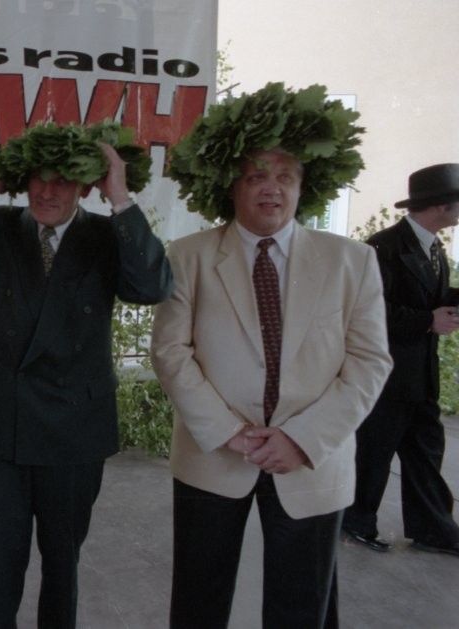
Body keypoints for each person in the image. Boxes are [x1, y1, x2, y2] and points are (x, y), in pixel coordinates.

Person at [153, 82, 393, 628]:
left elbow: (369, 361)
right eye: (256, 175)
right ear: (232, 186)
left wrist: (302, 438)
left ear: (303, 187)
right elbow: (170, 351)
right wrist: (228, 431)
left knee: (303, 609)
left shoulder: (352, 261)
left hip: (312, 460)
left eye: (285, 176)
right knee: (198, 603)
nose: (271, 188)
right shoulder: (188, 257)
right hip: (213, 458)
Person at [0, 121, 172, 629]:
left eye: (63, 180)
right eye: (38, 177)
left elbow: (151, 286)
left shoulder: (108, 235)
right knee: (1, 558)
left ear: (85, 187)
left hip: (74, 428)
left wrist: (119, 195)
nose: (48, 191)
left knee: (63, 560)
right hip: (4, 420)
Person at [342, 163, 459, 556]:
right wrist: (427, 321)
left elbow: (426, 296)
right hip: (388, 373)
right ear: (441, 205)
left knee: (426, 451)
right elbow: (368, 310)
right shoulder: (383, 247)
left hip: (421, 374)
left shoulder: (433, 246)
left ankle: (434, 529)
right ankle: (356, 521)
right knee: (375, 451)